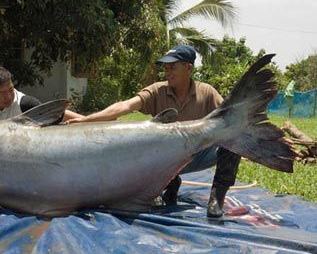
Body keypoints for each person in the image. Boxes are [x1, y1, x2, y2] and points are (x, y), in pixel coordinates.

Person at [67, 45, 241, 218]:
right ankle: (168, 184)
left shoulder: (207, 92)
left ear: (188, 68)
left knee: (233, 141)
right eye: (165, 68)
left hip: (197, 155)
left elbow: (229, 117)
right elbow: (125, 105)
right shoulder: (157, 91)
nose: (167, 72)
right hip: (163, 160)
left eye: (172, 67)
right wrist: (85, 120)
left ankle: (216, 199)